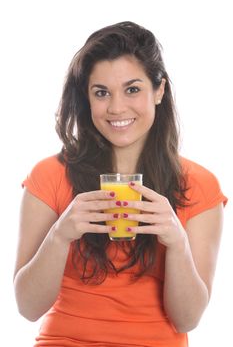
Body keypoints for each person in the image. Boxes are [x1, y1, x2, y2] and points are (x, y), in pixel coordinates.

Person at [14, 21, 227, 347]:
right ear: (87, 98)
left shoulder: (199, 185)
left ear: (159, 91)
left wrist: (177, 242)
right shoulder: (50, 175)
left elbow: (187, 319)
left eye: (132, 89)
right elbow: (28, 308)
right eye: (101, 93)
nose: (116, 108)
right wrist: (60, 235)